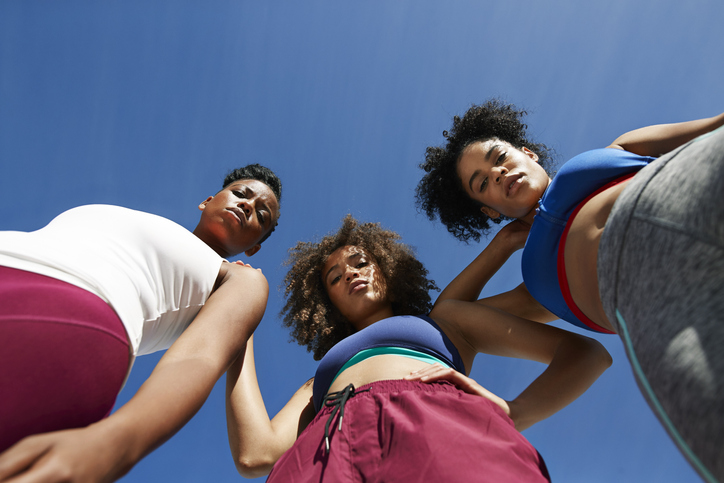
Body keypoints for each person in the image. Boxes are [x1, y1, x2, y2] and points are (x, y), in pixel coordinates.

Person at [416, 99, 724, 482]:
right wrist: (501, 246)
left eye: (499, 157)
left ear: (527, 153)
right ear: (489, 211)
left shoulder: (618, 150)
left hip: (691, 191)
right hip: (666, 315)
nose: (496, 173)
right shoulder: (537, 289)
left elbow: (715, 125)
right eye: (482, 183)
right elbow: (447, 314)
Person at [225, 215, 611, 482]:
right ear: (328, 306)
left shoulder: (447, 321)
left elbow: (585, 352)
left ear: (388, 270)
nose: (351, 274)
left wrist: (515, 411)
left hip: (435, 422)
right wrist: (239, 326)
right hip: (326, 445)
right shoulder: (318, 381)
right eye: (335, 279)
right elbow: (256, 454)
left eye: (361, 262)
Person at [0, 164, 282, 482]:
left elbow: (200, 358)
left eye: (262, 214)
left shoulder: (241, 278)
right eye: (240, 193)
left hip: (68, 313)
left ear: (254, 247)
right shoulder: (143, 222)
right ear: (207, 200)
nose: (247, 205)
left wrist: (112, 444)